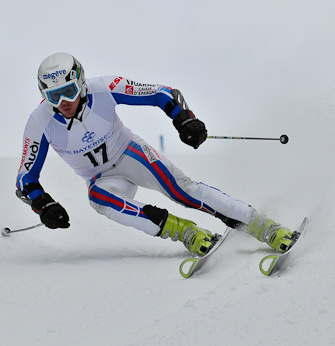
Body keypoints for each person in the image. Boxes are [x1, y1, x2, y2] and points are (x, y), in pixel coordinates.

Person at [15, 52, 292, 256]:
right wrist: (43, 205)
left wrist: (183, 119)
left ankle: (262, 225)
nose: (64, 102)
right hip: (102, 178)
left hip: (131, 154)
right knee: (98, 199)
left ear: (81, 82)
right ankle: (185, 231)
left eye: (68, 92)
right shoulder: (40, 122)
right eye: (54, 96)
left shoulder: (104, 88)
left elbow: (162, 93)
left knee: (182, 191)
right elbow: (25, 179)